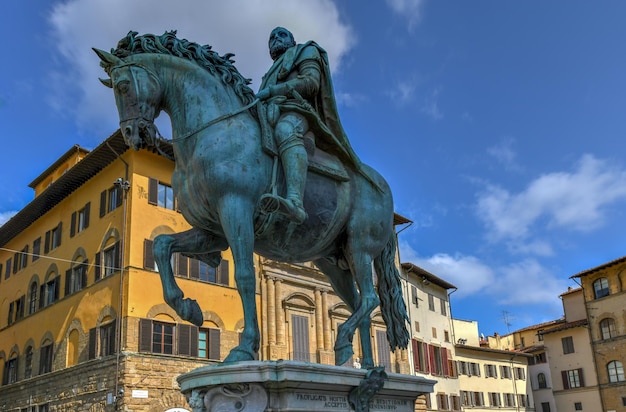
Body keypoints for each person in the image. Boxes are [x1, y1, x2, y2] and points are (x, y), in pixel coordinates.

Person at [257, 27, 367, 224]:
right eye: (271, 37)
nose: (275, 39)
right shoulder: (269, 73)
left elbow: (311, 82)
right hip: (269, 113)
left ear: (292, 40)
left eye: (281, 35)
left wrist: (274, 91)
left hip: (297, 111)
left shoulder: (306, 51)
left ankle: (295, 203)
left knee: (286, 130)